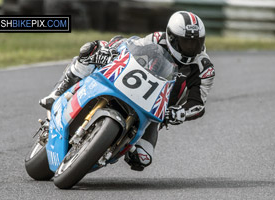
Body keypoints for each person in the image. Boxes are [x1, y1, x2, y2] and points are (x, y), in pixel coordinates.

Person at [39, 11, 215, 171]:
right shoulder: (156, 39)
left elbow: (198, 104)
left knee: (142, 159)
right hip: (128, 84)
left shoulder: (204, 68)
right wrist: (111, 52)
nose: (191, 47)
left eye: (196, 42)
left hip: (155, 112)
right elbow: (131, 48)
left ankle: (110, 147)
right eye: (186, 42)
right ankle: (59, 91)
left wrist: (181, 113)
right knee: (89, 50)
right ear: (172, 37)